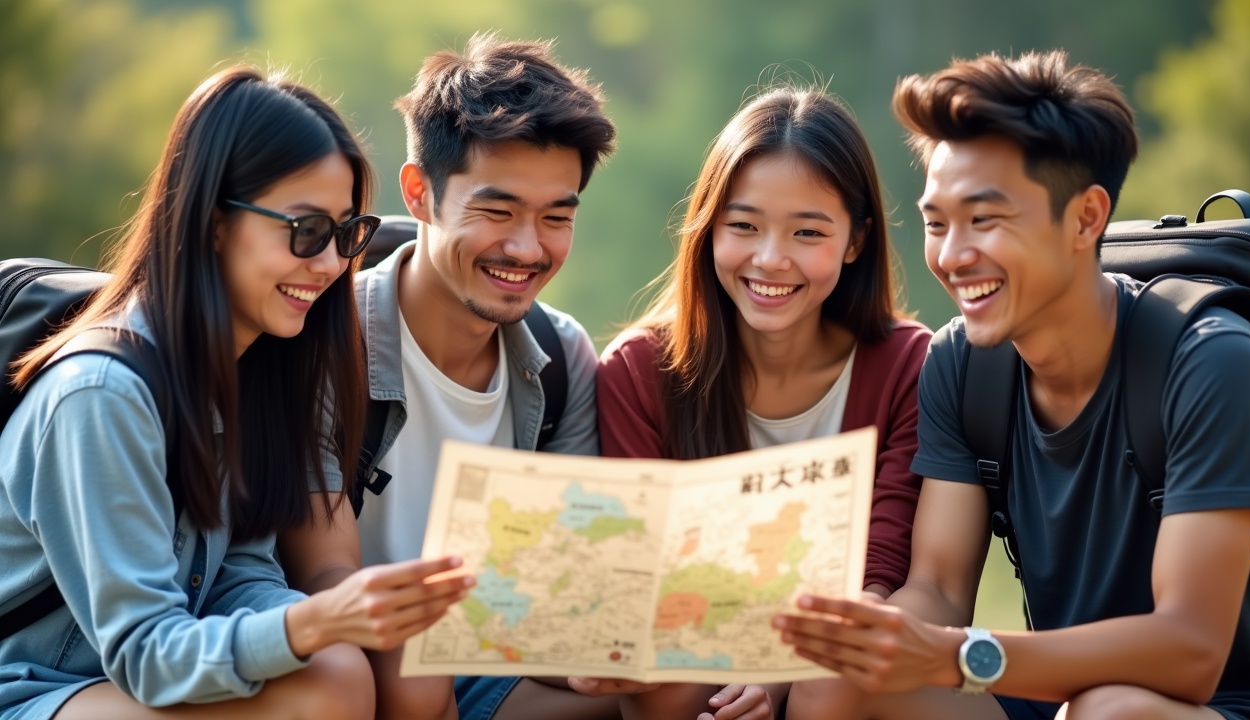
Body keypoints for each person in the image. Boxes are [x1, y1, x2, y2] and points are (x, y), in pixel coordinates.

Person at [774, 50, 1250, 719]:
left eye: (985, 220)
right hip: (1055, 695)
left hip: (1220, 704)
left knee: (1111, 712)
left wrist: (954, 655)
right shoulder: (962, 363)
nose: (951, 256)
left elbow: (1190, 648)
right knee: (835, 681)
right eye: (935, 223)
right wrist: (873, 634)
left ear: (1085, 219)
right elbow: (937, 587)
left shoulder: (1211, 361)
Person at [0, 68, 473, 720]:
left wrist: (332, 620)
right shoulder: (102, 393)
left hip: (141, 680)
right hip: (36, 685)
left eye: (346, 234)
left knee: (339, 675)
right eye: (306, 231)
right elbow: (143, 651)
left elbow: (236, 575)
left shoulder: (253, 367)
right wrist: (311, 624)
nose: (332, 264)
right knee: (324, 686)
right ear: (216, 221)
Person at [276, 33, 620, 720]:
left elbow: (564, 577)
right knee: (410, 671)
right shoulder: (319, 342)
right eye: (497, 212)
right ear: (420, 193)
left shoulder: (561, 356)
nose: (527, 247)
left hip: (496, 662)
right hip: (356, 668)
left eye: (556, 217)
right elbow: (325, 574)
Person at [589, 85, 931, 719]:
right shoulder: (641, 372)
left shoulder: (909, 366)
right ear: (708, 228)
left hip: (842, 668)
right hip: (695, 664)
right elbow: (644, 580)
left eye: (807, 232)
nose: (771, 260)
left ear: (856, 241)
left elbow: (881, 572)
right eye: (743, 226)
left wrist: (778, 675)